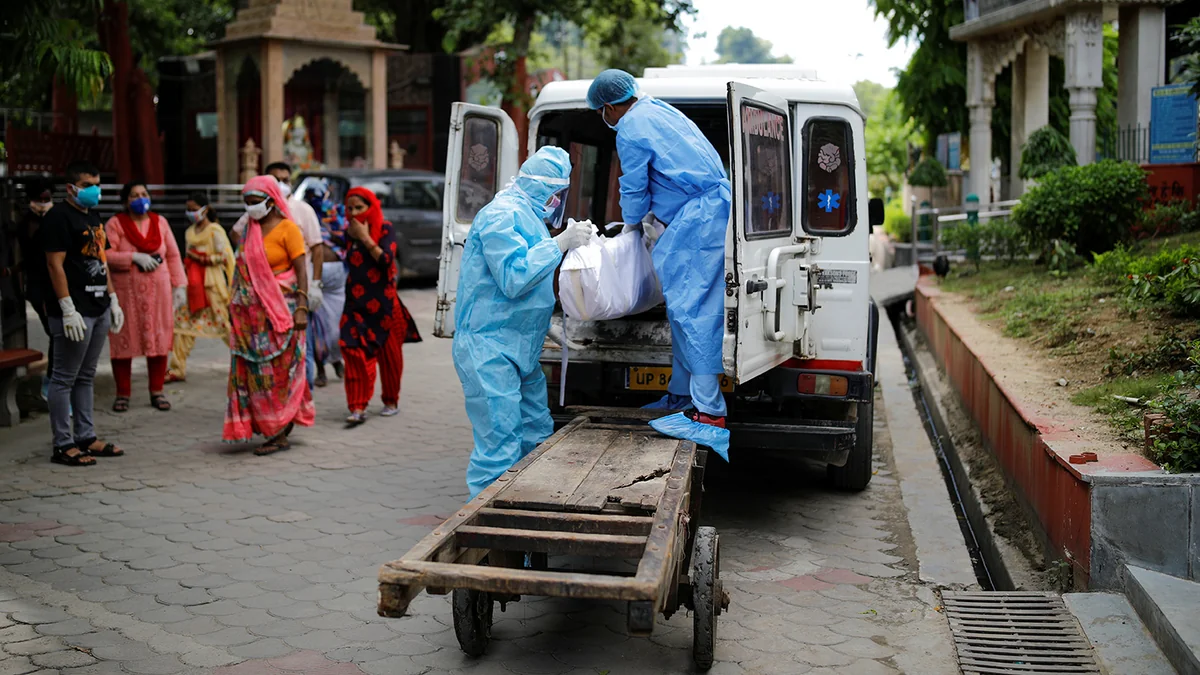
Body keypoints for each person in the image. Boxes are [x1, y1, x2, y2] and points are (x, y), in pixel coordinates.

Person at [587, 68, 733, 460]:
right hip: (704, 212)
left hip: (698, 222)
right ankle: (681, 397)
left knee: (694, 313)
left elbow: (634, 187)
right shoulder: (658, 110)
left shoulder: (631, 127)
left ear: (608, 107)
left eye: (602, 111)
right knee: (683, 313)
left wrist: (630, 227)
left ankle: (709, 415)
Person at [453, 146, 595, 499]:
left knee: (536, 434)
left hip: (518, 345)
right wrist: (561, 243)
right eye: (556, 193)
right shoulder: (501, 215)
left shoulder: (528, 215)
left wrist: (541, 322)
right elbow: (515, 276)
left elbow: (523, 291)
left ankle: (529, 520)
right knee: (500, 445)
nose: (558, 201)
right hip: (489, 349)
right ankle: (490, 538)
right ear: (542, 187)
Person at [40, 160, 127, 466]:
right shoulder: (57, 218)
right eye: (88, 184)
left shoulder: (93, 215)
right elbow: (54, 264)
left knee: (86, 376)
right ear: (71, 188)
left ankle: (86, 437)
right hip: (74, 310)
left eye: (97, 184)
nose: (94, 190)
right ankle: (63, 444)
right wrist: (66, 308)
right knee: (64, 377)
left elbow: (101, 258)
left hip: (99, 306)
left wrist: (113, 299)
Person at [223, 176, 315, 455]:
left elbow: (300, 271)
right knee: (256, 375)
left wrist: (301, 306)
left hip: (283, 314)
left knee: (282, 372)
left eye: (255, 202)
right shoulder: (249, 231)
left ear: (271, 201)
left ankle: (280, 431)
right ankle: (268, 427)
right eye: (246, 203)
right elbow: (241, 273)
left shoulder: (288, 229)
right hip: (251, 320)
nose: (251, 208)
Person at [230, 162, 325, 386]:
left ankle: (297, 400)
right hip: (254, 310)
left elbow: (314, 251)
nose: (281, 184)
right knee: (259, 370)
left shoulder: (297, 217)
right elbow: (240, 259)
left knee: (296, 359)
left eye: (285, 179)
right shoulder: (249, 225)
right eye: (276, 179)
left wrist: (313, 288)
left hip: (288, 301)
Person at [339, 187, 421, 424]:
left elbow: (386, 261)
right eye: (350, 208)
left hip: (385, 305)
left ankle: (390, 400)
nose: (354, 213)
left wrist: (364, 238)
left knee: (390, 357)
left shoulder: (385, 228)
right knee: (352, 351)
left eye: (359, 208)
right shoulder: (347, 233)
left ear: (371, 208)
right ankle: (357, 406)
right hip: (355, 304)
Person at [104, 182, 187, 412]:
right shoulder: (115, 224)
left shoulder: (160, 222)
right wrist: (133, 257)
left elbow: (172, 254)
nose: (140, 199)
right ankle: (122, 393)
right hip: (126, 293)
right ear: (125, 201)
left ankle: (157, 391)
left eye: (143, 194)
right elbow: (106, 253)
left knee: (159, 340)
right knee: (123, 341)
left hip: (158, 292)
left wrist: (180, 285)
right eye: (134, 195)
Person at [167, 193, 235, 382]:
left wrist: (202, 259)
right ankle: (177, 368)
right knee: (181, 325)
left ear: (205, 209)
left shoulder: (215, 230)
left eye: (194, 208)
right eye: (188, 209)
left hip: (212, 284)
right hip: (193, 285)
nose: (191, 212)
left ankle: (245, 362)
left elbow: (225, 256)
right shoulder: (190, 232)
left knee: (225, 325)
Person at [17, 178, 57, 403]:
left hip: (59, 287)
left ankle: (56, 383)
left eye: (47, 199)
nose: (43, 203)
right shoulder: (27, 225)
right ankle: (51, 384)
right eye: (39, 199)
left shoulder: (56, 219)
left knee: (61, 337)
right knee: (56, 335)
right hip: (39, 289)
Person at [305, 180, 347, 387]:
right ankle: (321, 368)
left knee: (336, 325)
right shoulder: (304, 214)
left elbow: (345, 236)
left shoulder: (335, 213)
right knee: (317, 326)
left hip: (337, 275)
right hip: (316, 275)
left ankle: (337, 359)